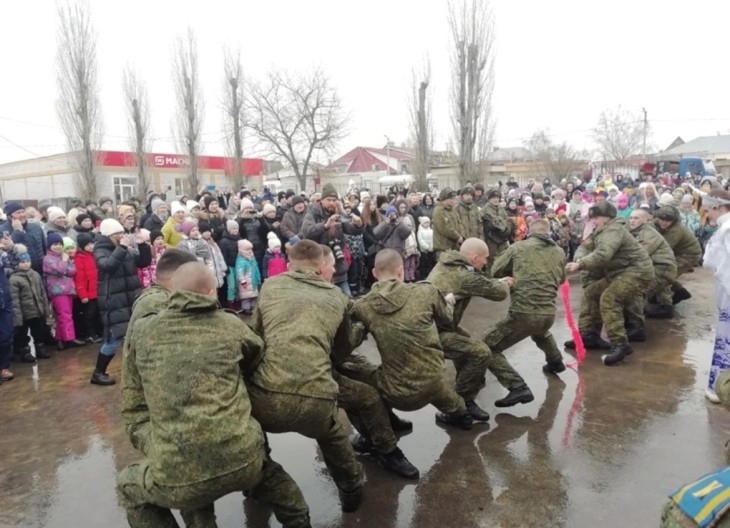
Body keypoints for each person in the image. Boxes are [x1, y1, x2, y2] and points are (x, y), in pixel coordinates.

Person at [118, 261, 311, 528]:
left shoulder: (142, 331)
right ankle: (299, 521)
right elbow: (256, 355)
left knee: (128, 486)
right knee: (266, 469)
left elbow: (133, 398)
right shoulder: (230, 325)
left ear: (171, 291)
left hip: (178, 473)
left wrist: (151, 441)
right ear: (212, 292)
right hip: (244, 459)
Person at [248, 240, 364, 512]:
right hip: (316, 400)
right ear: (322, 266)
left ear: (289, 265)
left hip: (265, 399)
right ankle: (350, 489)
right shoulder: (336, 296)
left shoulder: (271, 286)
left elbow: (255, 336)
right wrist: (360, 328)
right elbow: (344, 348)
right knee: (332, 434)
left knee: (250, 421)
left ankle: (256, 481)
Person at [344, 248, 475, 430]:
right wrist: (449, 302)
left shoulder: (364, 306)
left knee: (352, 374)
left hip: (397, 393)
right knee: (437, 385)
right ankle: (461, 415)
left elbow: (348, 341)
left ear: (374, 273)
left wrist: (361, 326)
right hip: (435, 381)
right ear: (400, 270)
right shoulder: (426, 292)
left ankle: (382, 427)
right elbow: (446, 319)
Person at [427, 238, 517, 411]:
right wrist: (504, 284)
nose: (486, 262)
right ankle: (461, 404)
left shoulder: (445, 265)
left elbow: (478, 283)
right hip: (432, 334)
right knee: (480, 352)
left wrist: (495, 282)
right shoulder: (464, 276)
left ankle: (468, 382)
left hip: (439, 326)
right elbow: (498, 294)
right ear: (474, 258)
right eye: (485, 258)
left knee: (465, 340)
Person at [483, 220, 567, 404]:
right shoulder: (559, 252)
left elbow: (495, 270)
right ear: (548, 232)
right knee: (540, 332)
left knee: (486, 346)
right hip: (548, 312)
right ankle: (556, 362)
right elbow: (561, 279)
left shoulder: (518, 248)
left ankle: (517, 387)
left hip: (524, 313)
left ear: (529, 232)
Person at [565, 201, 654, 366]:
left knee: (610, 298)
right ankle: (588, 335)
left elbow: (603, 254)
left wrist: (580, 264)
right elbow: (585, 247)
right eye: (592, 217)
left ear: (608, 217)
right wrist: (579, 259)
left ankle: (620, 344)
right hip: (619, 272)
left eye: (596, 217)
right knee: (591, 292)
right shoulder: (601, 230)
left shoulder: (613, 229)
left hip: (636, 271)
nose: (593, 220)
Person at [92, 218, 151, 386]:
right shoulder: (100, 249)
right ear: (110, 235)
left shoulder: (124, 248)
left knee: (137, 334)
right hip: (114, 299)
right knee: (114, 337)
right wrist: (123, 247)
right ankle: (98, 372)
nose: (122, 236)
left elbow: (143, 262)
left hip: (131, 296)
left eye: (122, 233)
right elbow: (107, 265)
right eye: (118, 233)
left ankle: (140, 369)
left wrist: (142, 244)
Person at [301, 183, 363, 297]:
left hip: (339, 267)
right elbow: (306, 232)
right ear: (322, 200)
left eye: (334, 200)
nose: (332, 203)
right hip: (321, 268)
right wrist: (325, 226)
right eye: (329, 200)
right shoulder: (312, 213)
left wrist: (358, 225)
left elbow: (349, 229)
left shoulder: (338, 212)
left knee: (346, 300)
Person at [626, 209, 679, 323]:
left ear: (646, 220)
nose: (632, 221)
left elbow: (637, 255)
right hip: (657, 267)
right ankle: (666, 308)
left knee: (634, 289)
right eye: (631, 218)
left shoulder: (649, 234)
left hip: (663, 270)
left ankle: (635, 325)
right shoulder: (634, 230)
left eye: (636, 218)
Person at [702, 190, 730, 403]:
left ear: (720, 207)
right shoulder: (724, 228)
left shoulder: (728, 229)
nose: (707, 214)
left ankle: (722, 388)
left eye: (709, 210)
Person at [10, 244, 53, 362]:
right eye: (22, 261)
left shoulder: (35, 274)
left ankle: (40, 348)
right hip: (23, 314)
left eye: (27, 261)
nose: (26, 264)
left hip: (36, 310)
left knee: (38, 331)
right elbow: (15, 300)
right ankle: (25, 351)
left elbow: (42, 293)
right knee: (23, 334)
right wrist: (17, 317)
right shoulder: (14, 279)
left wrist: (45, 309)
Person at [654, 205, 702, 305]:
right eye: (661, 219)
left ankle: (665, 305)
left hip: (689, 255)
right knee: (665, 273)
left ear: (674, 220)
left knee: (665, 275)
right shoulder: (655, 223)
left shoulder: (676, 230)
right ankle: (679, 292)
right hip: (677, 252)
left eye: (668, 220)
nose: (664, 222)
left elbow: (662, 248)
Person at [43, 234, 84, 350]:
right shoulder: (47, 259)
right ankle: (69, 338)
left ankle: (60, 339)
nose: (58, 247)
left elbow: (72, 271)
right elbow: (60, 270)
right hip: (58, 292)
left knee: (64, 315)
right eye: (55, 244)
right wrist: (65, 262)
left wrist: (64, 265)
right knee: (65, 315)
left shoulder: (62, 257)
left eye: (60, 244)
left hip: (68, 290)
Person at [0, 202, 47, 275]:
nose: (22, 215)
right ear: (9, 216)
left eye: (23, 212)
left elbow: (44, 248)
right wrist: (17, 231)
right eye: (18, 213)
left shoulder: (35, 227)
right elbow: (6, 251)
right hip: (18, 275)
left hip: (39, 272)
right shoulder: (2, 230)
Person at [74, 233, 103, 343]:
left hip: (97, 290)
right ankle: (90, 334)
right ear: (81, 246)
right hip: (88, 293)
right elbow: (79, 279)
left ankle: (98, 332)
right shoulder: (79, 258)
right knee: (89, 315)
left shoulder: (95, 255)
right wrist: (83, 295)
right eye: (87, 245)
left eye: (92, 243)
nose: (91, 246)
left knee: (98, 314)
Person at [227, 239, 261, 315]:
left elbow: (256, 268)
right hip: (246, 282)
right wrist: (242, 281)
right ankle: (246, 309)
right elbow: (240, 272)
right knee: (246, 297)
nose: (250, 251)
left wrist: (258, 277)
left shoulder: (252, 258)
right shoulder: (241, 260)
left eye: (250, 249)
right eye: (247, 249)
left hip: (253, 281)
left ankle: (253, 308)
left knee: (254, 296)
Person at [481, 188, 512, 270]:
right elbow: (489, 224)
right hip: (491, 239)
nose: (496, 200)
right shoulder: (485, 210)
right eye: (493, 198)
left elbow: (506, 220)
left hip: (502, 239)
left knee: (503, 258)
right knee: (491, 260)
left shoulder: (501, 208)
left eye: (497, 198)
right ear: (489, 199)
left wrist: (507, 229)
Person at [432, 188, 463, 255]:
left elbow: (459, 224)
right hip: (443, 248)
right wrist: (457, 237)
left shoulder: (453, 210)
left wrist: (462, 236)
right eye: (451, 199)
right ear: (444, 199)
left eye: (454, 198)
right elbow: (443, 228)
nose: (453, 201)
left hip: (454, 248)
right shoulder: (438, 211)